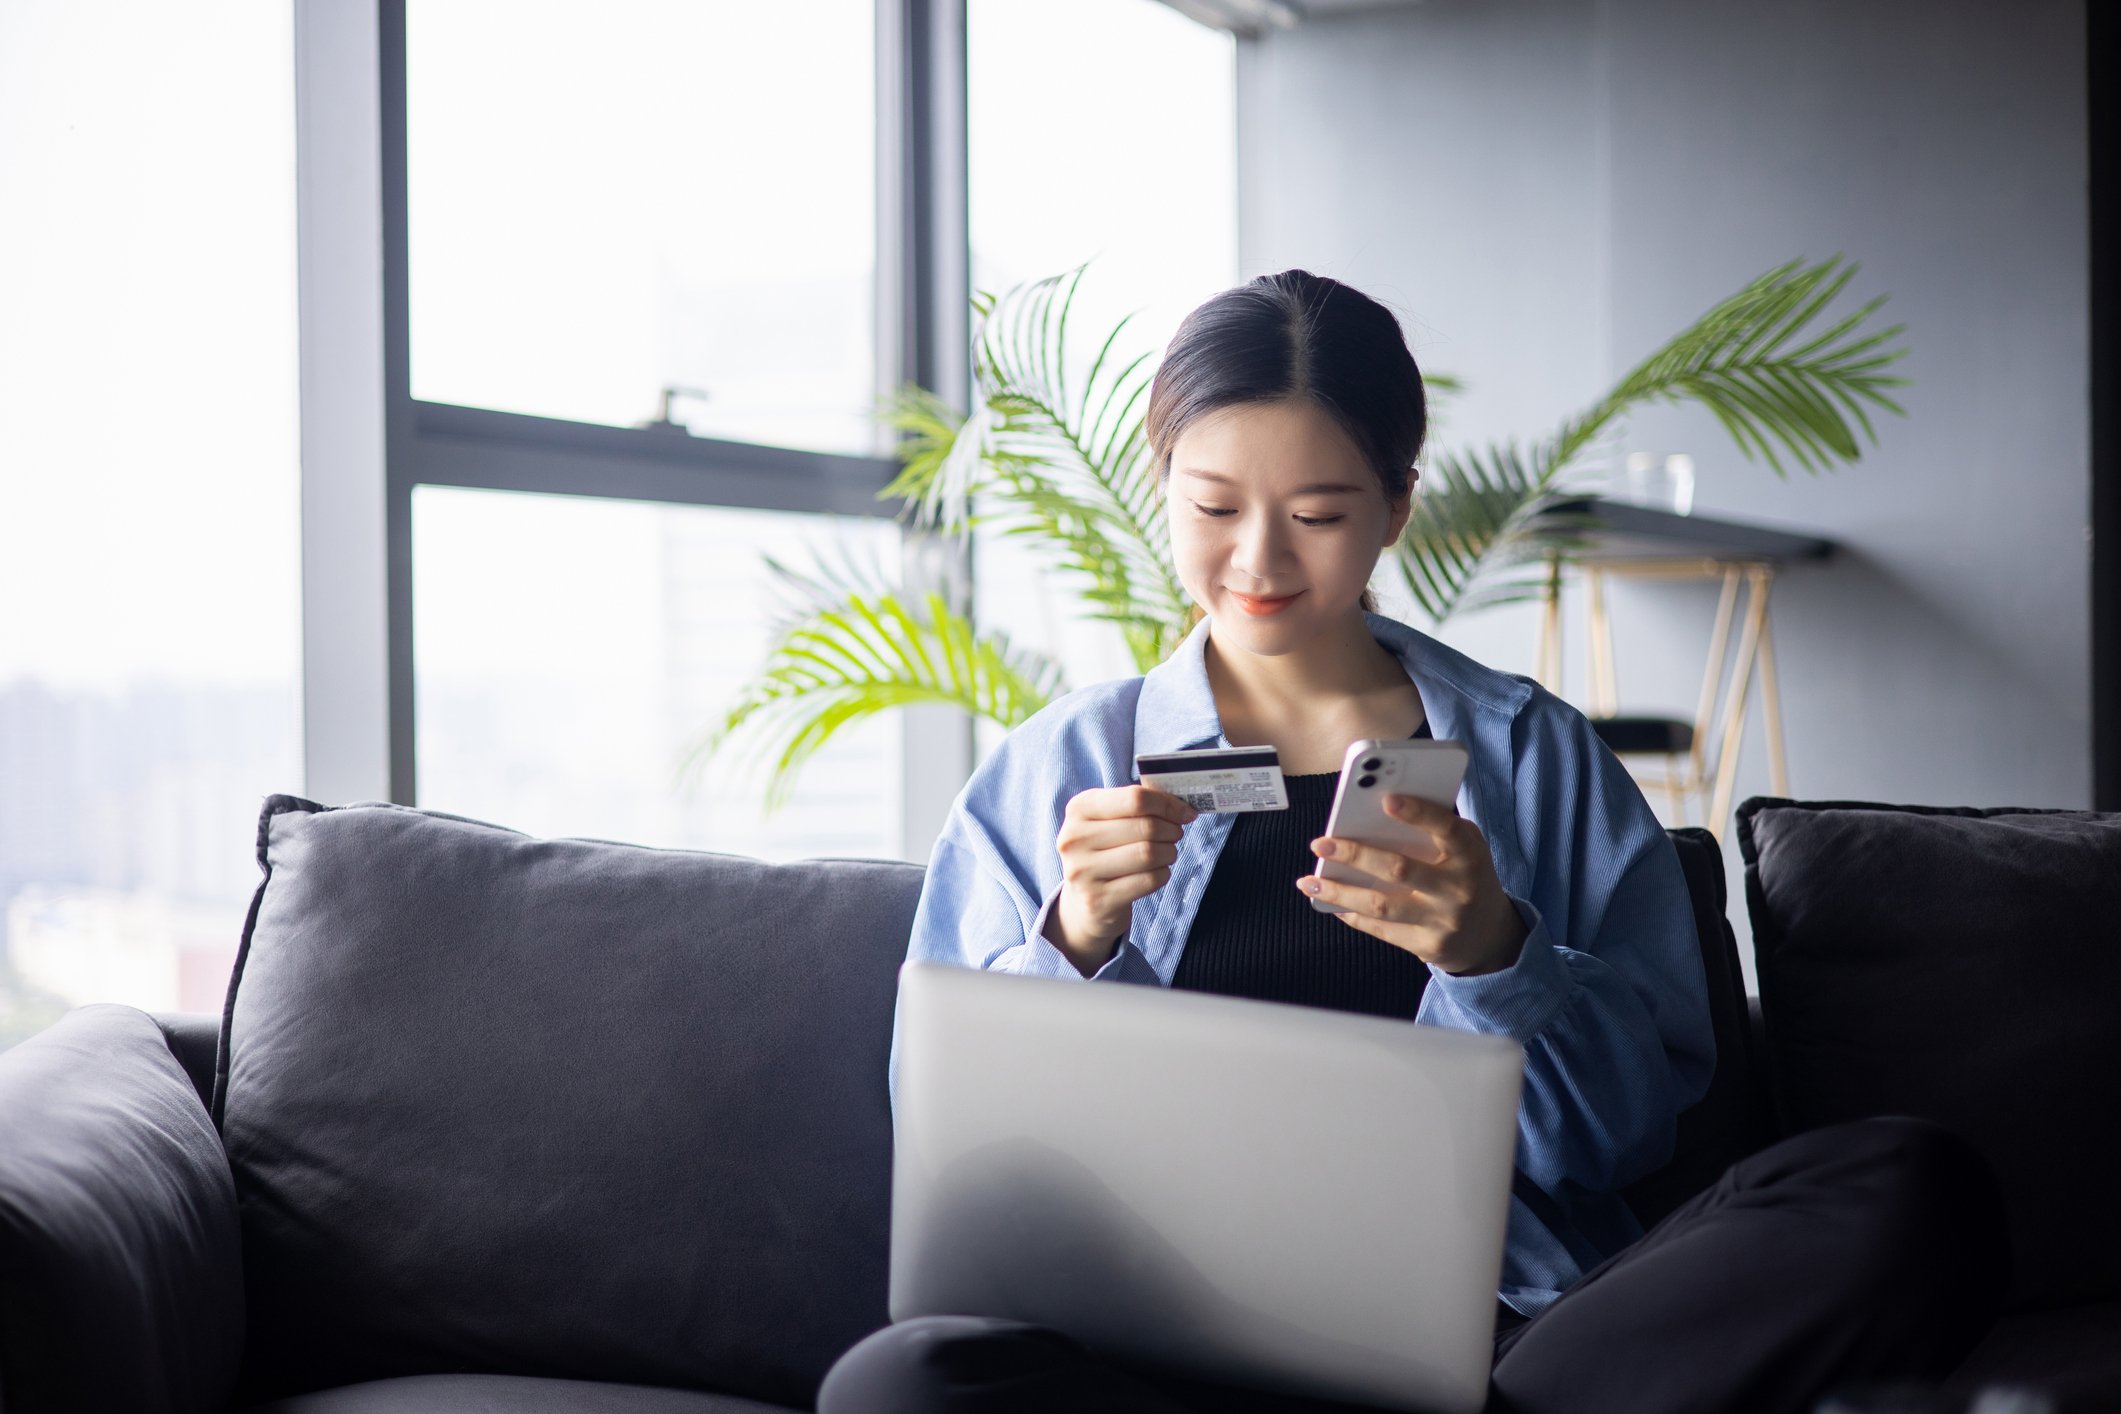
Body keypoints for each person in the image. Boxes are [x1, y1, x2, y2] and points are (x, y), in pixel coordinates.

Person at [821, 271, 2007, 1414]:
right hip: (1155, 1340)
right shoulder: (1053, 771)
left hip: (1500, 1334)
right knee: (895, 1383)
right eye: (1214, 507)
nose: (1260, 562)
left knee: (1909, 1185)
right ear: (1163, 487)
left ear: (1395, 506)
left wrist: (1498, 957)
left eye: (1319, 515)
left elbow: (1631, 1138)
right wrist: (1073, 942)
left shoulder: (1531, 754)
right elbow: (959, 1166)